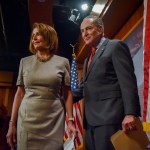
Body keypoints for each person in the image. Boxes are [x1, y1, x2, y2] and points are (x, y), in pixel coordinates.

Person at [73, 15, 141, 150]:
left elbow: (128, 81)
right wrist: (59, 96)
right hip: (90, 122)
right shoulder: (87, 60)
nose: (85, 34)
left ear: (100, 29)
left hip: (110, 117)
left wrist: (130, 113)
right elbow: (82, 89)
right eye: (82, 31)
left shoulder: (115, 46)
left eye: (89, 29)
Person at [6, 22, 76, 150]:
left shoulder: (63, 62)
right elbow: (20, 93)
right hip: (27, 119)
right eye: (33, 35)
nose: (34, 38)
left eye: (38, 34)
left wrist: (70, 120)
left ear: (49, 37)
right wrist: (12, 124)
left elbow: (67, 94)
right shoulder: (24, 62)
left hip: (53, 120)